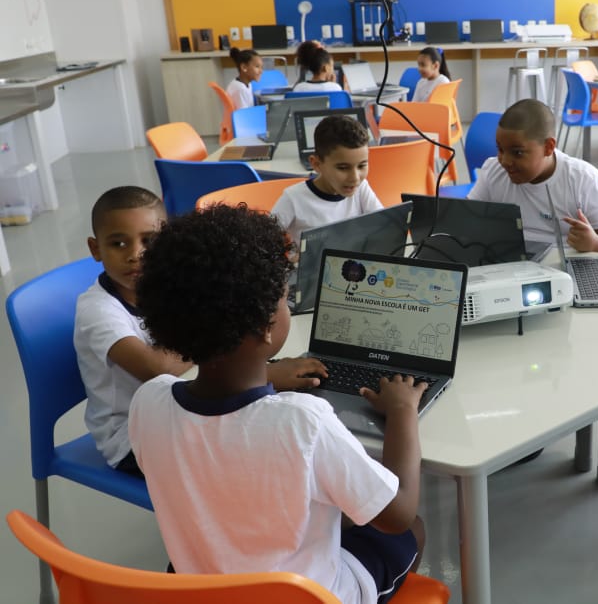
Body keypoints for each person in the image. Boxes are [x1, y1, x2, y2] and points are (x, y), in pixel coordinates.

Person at [128, 205, 425, 604]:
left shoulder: (147, 401)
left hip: (202, 590)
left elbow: (218, 450)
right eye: (284, 298)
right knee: (414, 531)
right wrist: (404, 412)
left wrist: (268, 373)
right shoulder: (304, 422)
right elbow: (398, 514)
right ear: (267, 328)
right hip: (314, 597)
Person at [74, 187, 322, 478]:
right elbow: (158, 367)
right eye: (118, 243)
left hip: (181, 404)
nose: (135, 254)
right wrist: (262, 374)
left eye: (149, 240)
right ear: (95, 249)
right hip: (133, 437)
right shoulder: (97, 310)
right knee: (272, 450)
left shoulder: (167, 283)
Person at [467, 98, 598, 254]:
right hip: (510, 265)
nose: (505, 161)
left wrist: (595, 244)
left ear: (548, 147)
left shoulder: (585, 181)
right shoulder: (493, 170)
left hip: (567, 269)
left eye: (518, 153)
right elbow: (464, 221)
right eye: (500, 149)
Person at [271, 114, 383, 247]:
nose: (355, 178)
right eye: (343, 168)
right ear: (317, 164)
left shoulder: (361, 188)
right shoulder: (293, 198)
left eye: (362, 166)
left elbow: (384, 227)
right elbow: (264, 241)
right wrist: (288, 258)